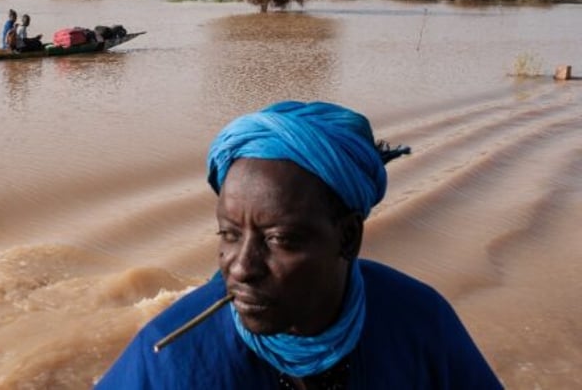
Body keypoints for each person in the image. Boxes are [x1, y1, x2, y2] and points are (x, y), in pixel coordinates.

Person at [96, 101, 502, 389]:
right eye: (229, 234)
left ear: (348, 237)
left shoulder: (419, 322)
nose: (241, 268)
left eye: (279, 240)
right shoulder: (172, 361)